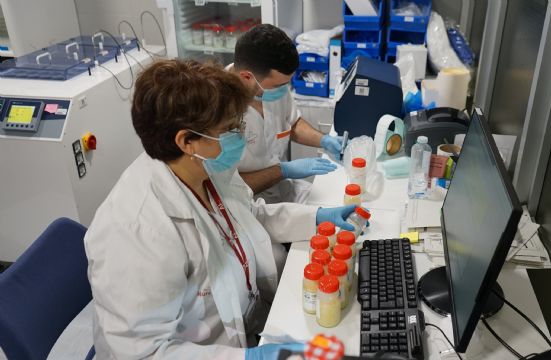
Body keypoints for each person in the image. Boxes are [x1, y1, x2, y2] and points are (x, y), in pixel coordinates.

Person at [84, 59, 356, 359]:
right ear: (187, 141)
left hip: (246, 322)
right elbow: (144, 353)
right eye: (229, 129)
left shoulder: (205, 168)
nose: (240, 135)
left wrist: (317, 218)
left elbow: (250, 215)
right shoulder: (136, 231)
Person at [229, 24, 345, 204]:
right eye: (278, 86)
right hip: (247, 204)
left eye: (286, 84)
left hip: (282, 189)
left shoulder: (273, 88)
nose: (283, 91)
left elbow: (292, 123)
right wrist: (283, 171)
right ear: (246, 77)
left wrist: (324, 140)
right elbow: (227, 187)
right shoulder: (217, 110)